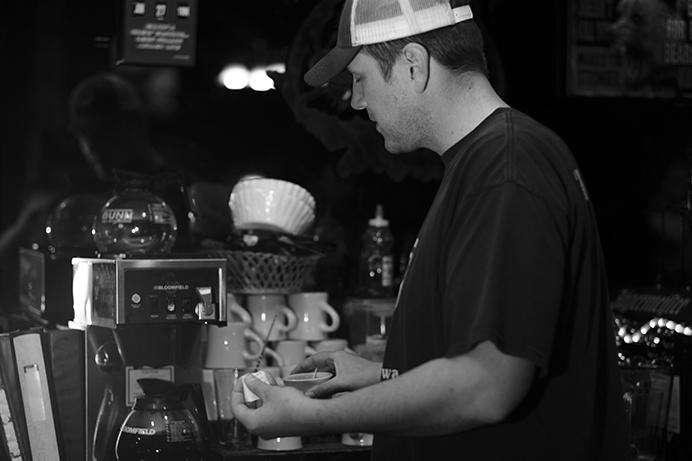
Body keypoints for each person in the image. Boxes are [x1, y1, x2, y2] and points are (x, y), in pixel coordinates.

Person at [232, 1, 628, 460]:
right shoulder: (488, 160)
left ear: (414, 65)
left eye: (361, 79)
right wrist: (381, 373)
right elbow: (480, 358)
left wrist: (310, 416)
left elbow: (488, 384)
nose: (356, 102)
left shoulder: (506, 169)